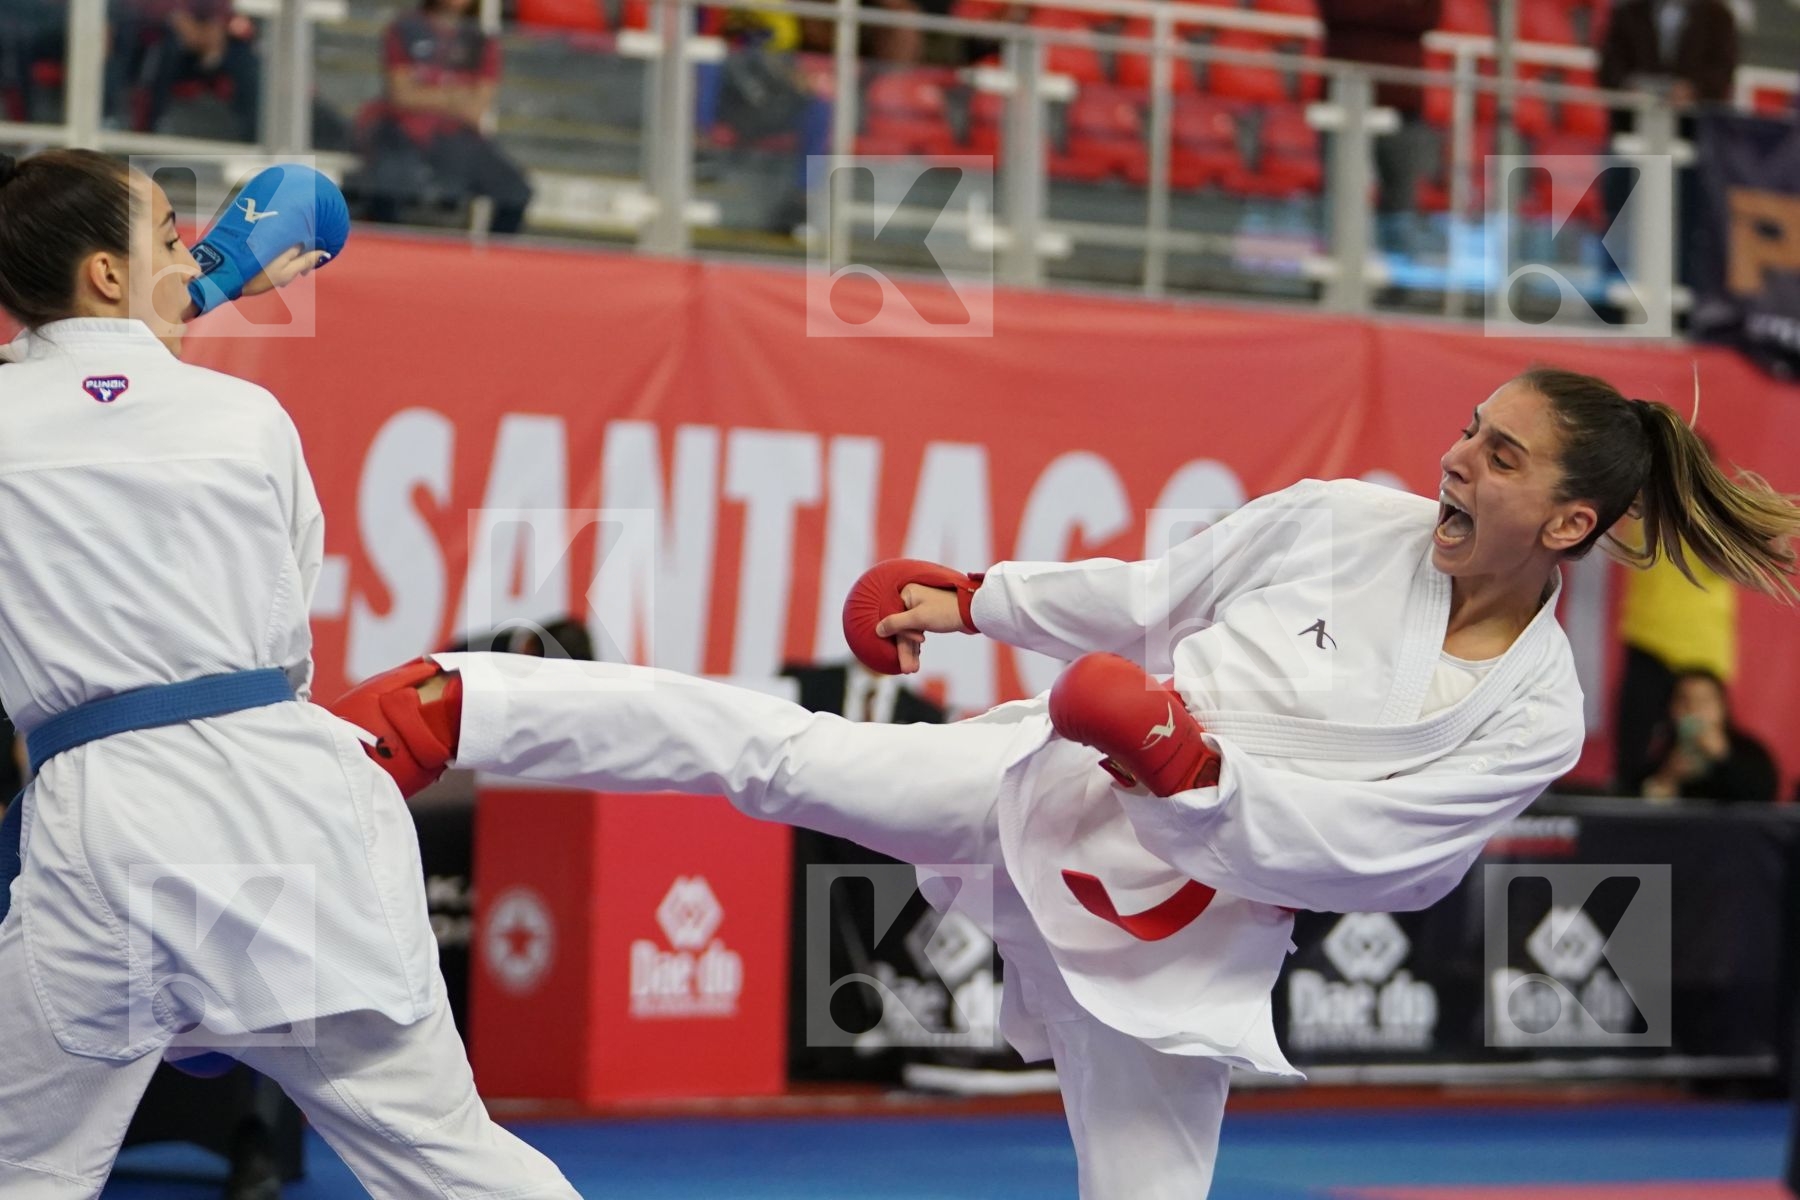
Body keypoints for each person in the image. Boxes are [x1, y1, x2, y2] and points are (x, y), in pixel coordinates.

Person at [340, 366, 1800, 1198]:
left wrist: (1191, 770)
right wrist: (976, 599)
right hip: (1044, 775)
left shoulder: (1535, 712)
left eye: (1495, 453)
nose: (1452, 460)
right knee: (784, 755)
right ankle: (461, 700)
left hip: (1188, 933)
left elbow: (1387, 863)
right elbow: (1154, 590)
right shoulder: (1347, 519)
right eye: (1466, 431)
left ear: (1566, 520)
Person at [0, 150, 578, 1198]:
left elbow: (88, 389)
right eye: (174, 237)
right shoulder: (244, 417)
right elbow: (280, 600)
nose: (200, 252)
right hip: (281, 807)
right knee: (446, 1154)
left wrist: (174, 304)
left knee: (23, 1170)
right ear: (106, 277)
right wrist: (184, 315)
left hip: (103, 823)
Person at [358, 0, 532, 234]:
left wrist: (426, 94)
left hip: (456, 138)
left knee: (515, 190)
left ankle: (491, 263)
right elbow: (401, 95)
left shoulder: (481, 42)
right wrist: (455, 96)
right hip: (401, 133)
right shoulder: (405, 29)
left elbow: (476, 108)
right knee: (389, 181)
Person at [1317, 0, 1443, 258]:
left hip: (1402, 106)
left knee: (1400, 202)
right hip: (1343, 103)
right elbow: (1338, 9)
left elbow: (1425, 15)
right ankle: (1337, 275)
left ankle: (1397, 283)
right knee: (1341, 196)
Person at [1634, 669, 1777, 804]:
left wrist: (1722, 756)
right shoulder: (1657, 751)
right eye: (1684, 700)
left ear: (1722, 707)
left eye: (1704, 701)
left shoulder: (1749, 752)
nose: (1694, 709)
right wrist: (1667, 777)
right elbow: (1630, 808)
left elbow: (1762, 800)